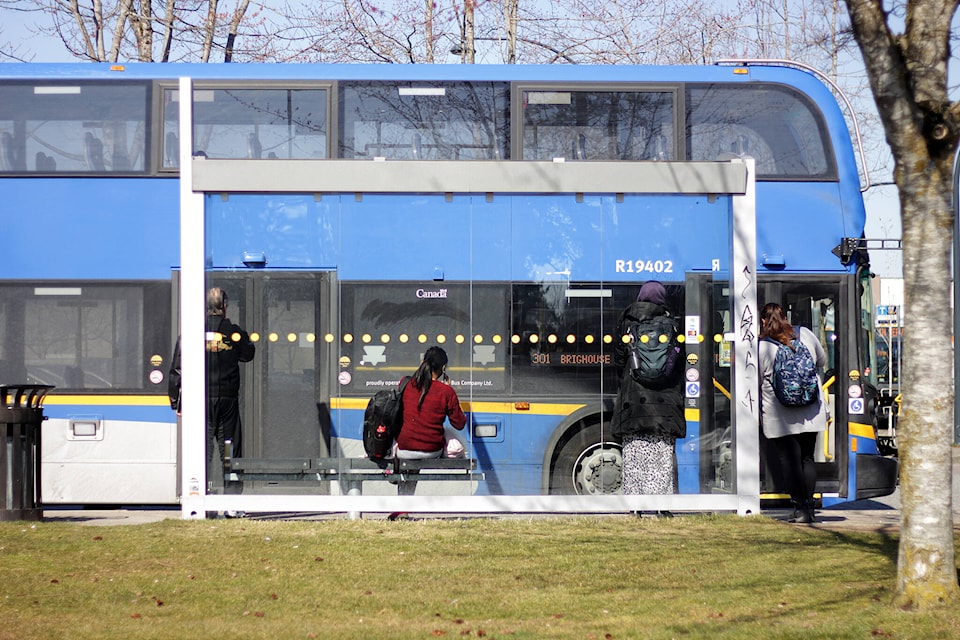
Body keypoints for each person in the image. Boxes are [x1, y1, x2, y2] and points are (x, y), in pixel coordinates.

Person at [168, 287, 255, 511]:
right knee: (230, 450)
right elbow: (248, 354)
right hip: (227, 399)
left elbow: (178, 369)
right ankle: (232, 504)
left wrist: (177, 402)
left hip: (201, 401)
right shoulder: (233, 331)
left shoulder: (191, 333)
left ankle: (199, 498)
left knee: (202, 449)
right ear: (225, 306)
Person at [612, 281, 685, 501]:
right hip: (665, 402)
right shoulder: (672, 325)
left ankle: (635, 505)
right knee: (662, 455)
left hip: (634, 401)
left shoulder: (627, 324)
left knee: (635, 455)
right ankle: (663, 504)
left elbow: (618, 360)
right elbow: (679, 363)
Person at [759, 303, 828, 524]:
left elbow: (755, 378)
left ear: (762, 322)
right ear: (786, 317)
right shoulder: (805, 333)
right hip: (811, 409)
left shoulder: (762, 348)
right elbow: (821, 361)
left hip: (780, 416)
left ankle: (799, 508)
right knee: (807, 458)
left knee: (789, 460)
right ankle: (809, 507)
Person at [394, 346, 467, 495]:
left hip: (404, 447)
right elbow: (459, 424)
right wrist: (448, 390)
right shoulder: (446, 391)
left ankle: (402, 507)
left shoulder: (406, 383)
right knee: (446, 433)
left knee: (410, 460)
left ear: (423, 361)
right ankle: (402, 507)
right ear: (444, 368)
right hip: (431, 449)